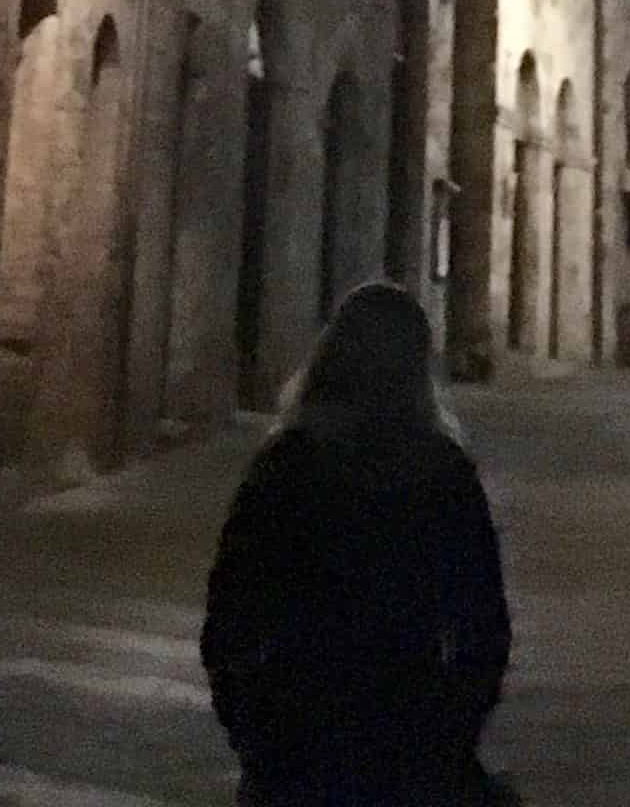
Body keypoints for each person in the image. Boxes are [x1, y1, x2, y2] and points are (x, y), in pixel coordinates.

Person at [201, 281, 512, 807]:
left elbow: (229, 617)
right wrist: (450, 738)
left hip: (298, 737)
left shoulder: (286, 465)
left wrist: (255, 736)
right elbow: (483, 629)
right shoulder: (442, 473)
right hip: (409, 734)